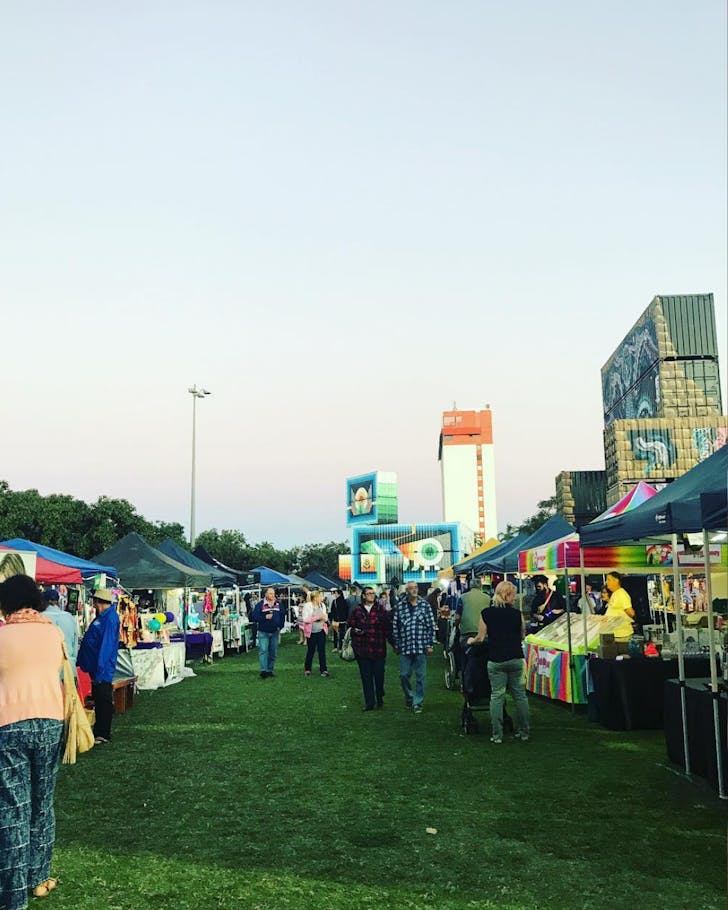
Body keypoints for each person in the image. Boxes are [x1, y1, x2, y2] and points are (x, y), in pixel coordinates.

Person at [0, 574, 65, 906]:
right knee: (43, 803)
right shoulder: (52, 633)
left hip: (9, 723)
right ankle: (38, 878)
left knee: (13, 807)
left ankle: (12, 894)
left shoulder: (2, 635)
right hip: (51, 720)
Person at [467, 580, 530, 744]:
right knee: (520, 696)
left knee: (497, 696)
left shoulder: (486, 613)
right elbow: (523, 635)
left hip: (496, 659)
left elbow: (480, 638)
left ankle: (497, 735)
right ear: (508, 595)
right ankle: (524, 732)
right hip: (516, 657)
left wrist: (470, 641)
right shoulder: (518, 614)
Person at [76, 588, 120, 745]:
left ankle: (103, 733)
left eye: (94, 601)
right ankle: (99, 731)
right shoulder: (102, 617)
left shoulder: (110, 618)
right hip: (95, 666)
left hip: (102, 668)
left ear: (99, 602)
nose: (93, 604)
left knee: (104, 699)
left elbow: (107, 645)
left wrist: (101, 668)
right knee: (99, 699)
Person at [391, 581, 436, 714]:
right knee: (404, 675)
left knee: (421, 677)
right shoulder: (400, 607)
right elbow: (395, 627)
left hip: (421, 646)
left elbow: (431, 626)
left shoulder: (425, 606)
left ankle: (418, 703)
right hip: (405, 646)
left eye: (415, 588)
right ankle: (409, 697)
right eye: (411, 588)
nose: (414, 590)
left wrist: (430, 644)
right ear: (407, 591)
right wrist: (397, 644)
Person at [349, 586, 392, 711]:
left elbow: (387, 628)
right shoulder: (357, 610)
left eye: (373, 593)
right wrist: (355, 631)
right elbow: (350, 624)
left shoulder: (381, 609)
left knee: (379, 675)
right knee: (366, 677)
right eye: (369, 593)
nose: (371, 595)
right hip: (362, 649)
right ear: (363, 596)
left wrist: (394, 643)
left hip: (378, 648)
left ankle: (379, 696)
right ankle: (369, 702)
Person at [42, 589, 79, 678]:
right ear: (58, 601)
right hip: (69, 668)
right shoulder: (69, 617)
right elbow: (75, 644)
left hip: (49, 671)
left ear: (44, 601)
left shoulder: (41, 618)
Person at [251, 588, 285, 678]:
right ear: (265, 594)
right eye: (270, 593)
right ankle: (263, 670)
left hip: (275, 631)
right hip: (263, 631)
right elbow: (254, 617)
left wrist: (280, 626)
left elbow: (282, 616)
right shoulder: (260, 605)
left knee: (273, 652)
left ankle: (270, 670)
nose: (272, 595)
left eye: (273, 593)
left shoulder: (278, 605)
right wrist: (265, 616)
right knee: (263, 651)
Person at [302, 590, 330, 677]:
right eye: (320, 596)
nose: (322, 598)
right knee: (311, 650)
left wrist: (324, 618)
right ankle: (307, 669)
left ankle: (323, 670)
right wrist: (317, 618)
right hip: (311, 632)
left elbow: (325, 617)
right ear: (316, 598)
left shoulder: (322, 605)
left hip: (321, 630)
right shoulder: (307, 606)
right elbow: (305, 619)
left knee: (322, 650)